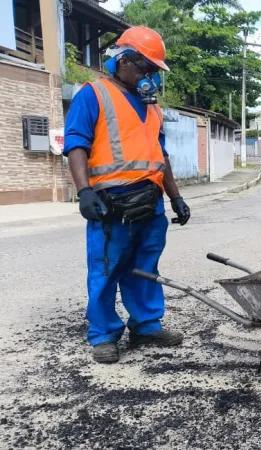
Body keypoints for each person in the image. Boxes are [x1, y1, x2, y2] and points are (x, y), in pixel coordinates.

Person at [63, 26, 191, 364]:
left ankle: (146, 325)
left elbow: (160, 157)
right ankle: (104, 334)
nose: (151, 76)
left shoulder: (151, 106)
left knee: (145, 265)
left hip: (151, 199)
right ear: (124, 61)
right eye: (146, 68)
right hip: (111, 201)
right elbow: (76, 145)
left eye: (154, 70)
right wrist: (84, 191)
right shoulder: (93, 94)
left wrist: (175, 197)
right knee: (106, 268)